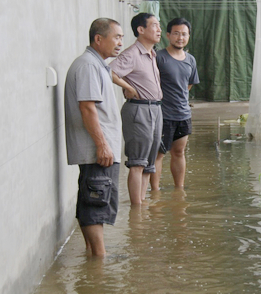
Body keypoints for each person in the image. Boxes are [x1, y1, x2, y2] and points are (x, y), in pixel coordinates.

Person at [64, 18, 124, 257]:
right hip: (97, 151)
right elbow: (87, 107)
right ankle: (99, 259)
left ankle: (93, 254)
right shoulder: (88, 65)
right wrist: (102, 145)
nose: (120, 42)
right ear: (98, 39)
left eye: (121, 37)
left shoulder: (96, 64)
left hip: (99, 149)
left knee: (93, 199)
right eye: (116, 37)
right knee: (96, 201)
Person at [109, 13, 163, 205]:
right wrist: (129, 87)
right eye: (154, 25)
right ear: (141, 30)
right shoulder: (132, 53)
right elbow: (109, 72)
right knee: (138, 162)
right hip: (139, 110)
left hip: (155, 109)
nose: (159, 29)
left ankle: (140, 204)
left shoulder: (152, 53)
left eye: (159, 25)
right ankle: (136, 210)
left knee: (149, 164)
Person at [152, 17, 200, 190]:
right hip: (163, 115)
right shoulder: (158, 57)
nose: (180, 37)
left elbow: (188, 84)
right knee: (159, 154)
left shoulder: (191, 60)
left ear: (189, 36)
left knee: (179, 152)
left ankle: (179, 190)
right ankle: (155, 192)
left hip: (183, 114)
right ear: (168, 35)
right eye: (176, 33)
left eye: (184, 34)